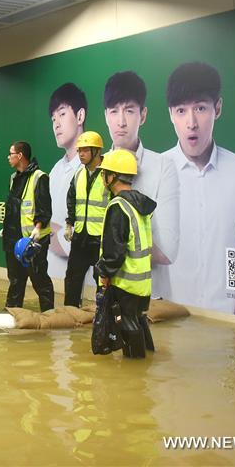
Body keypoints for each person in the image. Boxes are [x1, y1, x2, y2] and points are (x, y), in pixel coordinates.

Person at [162, 62, 235, 316]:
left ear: (217, 108)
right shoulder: (154, 174)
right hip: (165, 336)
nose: (192, 122)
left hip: (226, 337)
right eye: (181, 110)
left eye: (200, 108)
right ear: (170, 115)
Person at [104, 71, 179, 268]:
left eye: (129, 110)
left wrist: (112, 241)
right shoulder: (96, 167)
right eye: (114, 111)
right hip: (102, 283)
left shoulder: (163, 166)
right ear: (106, 116)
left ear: (143, 115)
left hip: (148, 289)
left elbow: (166, 251)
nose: (121, 121)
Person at [95, 149, 157, 359]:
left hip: (125, 282)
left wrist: (103, 274)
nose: (103, 178)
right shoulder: (139, 204)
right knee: (137, 320)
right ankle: (147, 360)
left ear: (113, 176)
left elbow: (115, 251)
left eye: (105, 173)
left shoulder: (118, 206)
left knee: (127, 325)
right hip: (141, 282)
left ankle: (136, 370)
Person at [1, 141, 55, 311]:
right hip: (13, 239)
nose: (8, 157)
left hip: (32, 241)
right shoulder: (13, 178)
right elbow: (14, 206)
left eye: (11, 154)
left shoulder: (39, 177)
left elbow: (44, 207)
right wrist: (8, 226)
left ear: (20, 156)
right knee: (15, 279)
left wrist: (38, 228)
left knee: (39, 278)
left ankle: (49, 314)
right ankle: (13, 311)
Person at [46, 84, 87, 282]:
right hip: (52, 276)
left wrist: (48, 231)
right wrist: (52, 230)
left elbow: (73, 241)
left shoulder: (92, 170)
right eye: (53, 119)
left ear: (80, 117)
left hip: (83, 281)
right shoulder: (55, 170)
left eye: (62, 114)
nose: (56, 124)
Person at [63, 131, 108, 307]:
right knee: (73, 277)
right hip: (81, 236)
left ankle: (102, 318)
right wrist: (69, 224)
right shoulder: (78, 174)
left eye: (85, 150)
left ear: (96, 151)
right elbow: (72, 199)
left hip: (101, 238)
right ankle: (70, 312)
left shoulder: (109, 174)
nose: (80, 154)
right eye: (79, 150)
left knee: (102, 281)